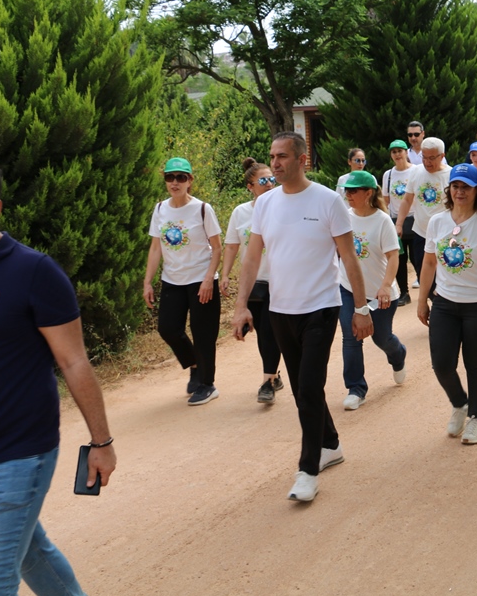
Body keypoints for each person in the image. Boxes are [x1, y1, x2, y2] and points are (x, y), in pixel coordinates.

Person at [0, 154, 116, 596]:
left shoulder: (33, 272)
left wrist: (101, 443)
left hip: (17, 455)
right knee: (30, 553)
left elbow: (74, 362)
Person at [231, 131, 374, 503]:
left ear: (301, 159)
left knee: (309, 388)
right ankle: (330, 444)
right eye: (272, 157)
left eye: (282, 157)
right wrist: (240, 304)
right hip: (280, 310)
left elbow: (349, 258)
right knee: (300, 389)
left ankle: (308, 469)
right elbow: (251, 258)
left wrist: (360, 308)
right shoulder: (265, 204)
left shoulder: (328, 201)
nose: (275, 163)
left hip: (321, 308)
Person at [418, 164, 477, 445]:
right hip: (445, 303)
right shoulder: (437, 222)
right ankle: (460, 403)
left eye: (466, 187)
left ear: (476, 191)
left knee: (476, 365)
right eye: (456, 187)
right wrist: (423, 300)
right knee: (442, 364)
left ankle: (476, 419)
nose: (460, 192)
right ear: (449, 190)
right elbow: (430, 262)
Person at [143, 156, 223, 406]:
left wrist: (209, 278)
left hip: (201, 280)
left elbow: (217, 248)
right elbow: (155, 248)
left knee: (204, 334)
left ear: (190, 180)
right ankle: (194, 364)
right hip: (172, 280)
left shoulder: (202, 209)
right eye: (170, 177)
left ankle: (207, 384)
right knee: (167, 328)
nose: (174, 182)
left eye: (180, 177)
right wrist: (147, 282)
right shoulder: (160, 209)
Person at [337, 171, 408, 410]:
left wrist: (386, 285)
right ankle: (356, 388)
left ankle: (398, 354)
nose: (348, 195)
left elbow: (393, 256)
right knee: (352, 335)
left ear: (368, 193)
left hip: (380, 294)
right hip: (348, 288)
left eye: (353, 190)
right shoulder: (344, 217)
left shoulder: (382, 220)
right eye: (347, 190)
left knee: (381, 338)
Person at [222, 158, 285, 404]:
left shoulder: (283, 206)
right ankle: (273, 375)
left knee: (273, 330)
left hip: (282, 280)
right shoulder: (241, 213)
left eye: (272, 179)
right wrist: (225, 274)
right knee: (264, 332)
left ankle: (268, 380)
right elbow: (231, 247)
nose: (269, 184)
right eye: (263, 180)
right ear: (250, 185)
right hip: (256, 283)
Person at [396, 137, 452, 284]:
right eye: (424, 157)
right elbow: (407, 199)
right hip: (421, 232)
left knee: (445, 274)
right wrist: (399, 224)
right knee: (424, 275)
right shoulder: (416, 172)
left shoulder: (451, 175)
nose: (427, 162)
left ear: (442, 156)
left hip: (445, 234)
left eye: (432, 158)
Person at [382, 139, 417, 306]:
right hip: (397, 221)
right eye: (394, 152)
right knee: (400, 259)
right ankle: (404, 292)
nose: (397, 154)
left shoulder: (417, 171)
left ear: (406, 153)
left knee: (419, 258)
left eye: (400, 151)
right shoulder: (388, 175)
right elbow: (386, 200)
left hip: (416, 219)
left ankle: (428, 288)